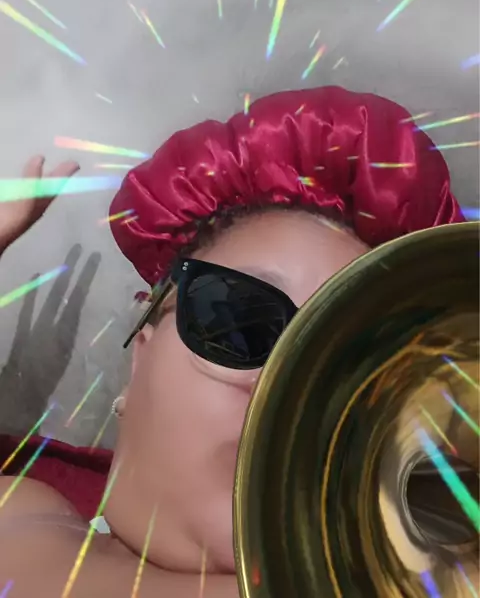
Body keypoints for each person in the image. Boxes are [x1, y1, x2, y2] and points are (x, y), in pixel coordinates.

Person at [0, 86, 465, 597]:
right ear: (141, 354)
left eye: (349, 367)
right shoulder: (17, 515)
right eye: (240, 322)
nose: (285, 385)